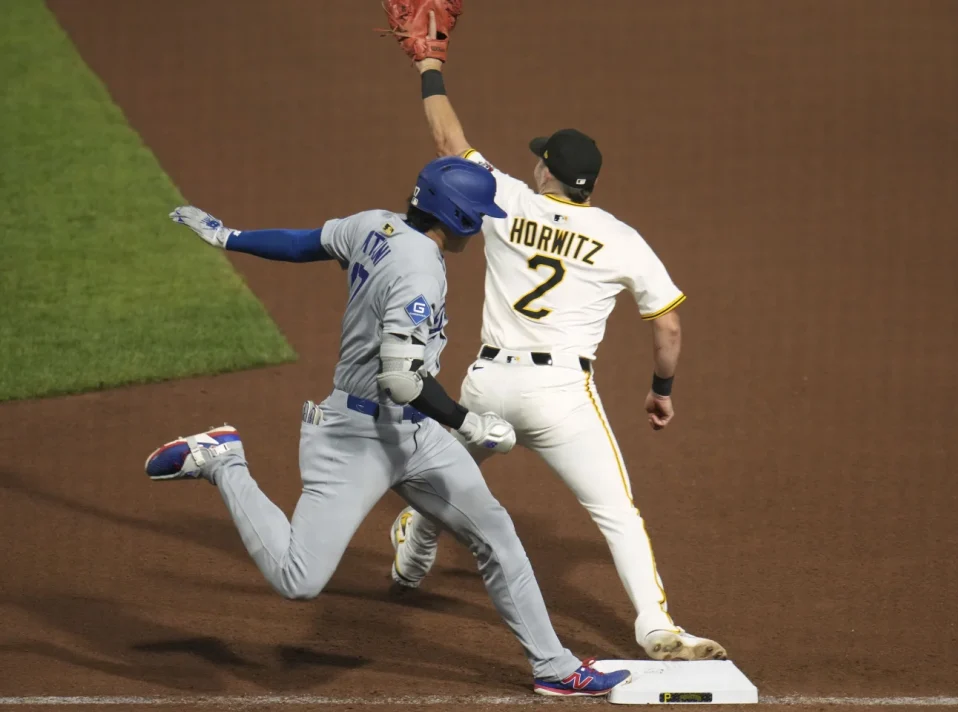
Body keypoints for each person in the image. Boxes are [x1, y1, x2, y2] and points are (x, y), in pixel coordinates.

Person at [142, 156, 631, 697]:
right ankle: (223, 460)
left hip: (415, 435)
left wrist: (230, 237)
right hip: (356, 438)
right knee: (297, 580)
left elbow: (306, 243)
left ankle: (554, 667)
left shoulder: (375, 223)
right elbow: (401, 379)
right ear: (460, 218)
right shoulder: (419, 270)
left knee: (496, 535)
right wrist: (472, 424)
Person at [388, 40, 728, 662]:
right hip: (561, 400)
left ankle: (412, 549)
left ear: (546, 172)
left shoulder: (506, 199)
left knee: (445, 476)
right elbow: (669, 326)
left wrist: (428, 66)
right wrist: (661, 390)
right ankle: (656, 627)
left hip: (487, 385)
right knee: (617, 514)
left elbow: (446, 141)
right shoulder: (621, 238)